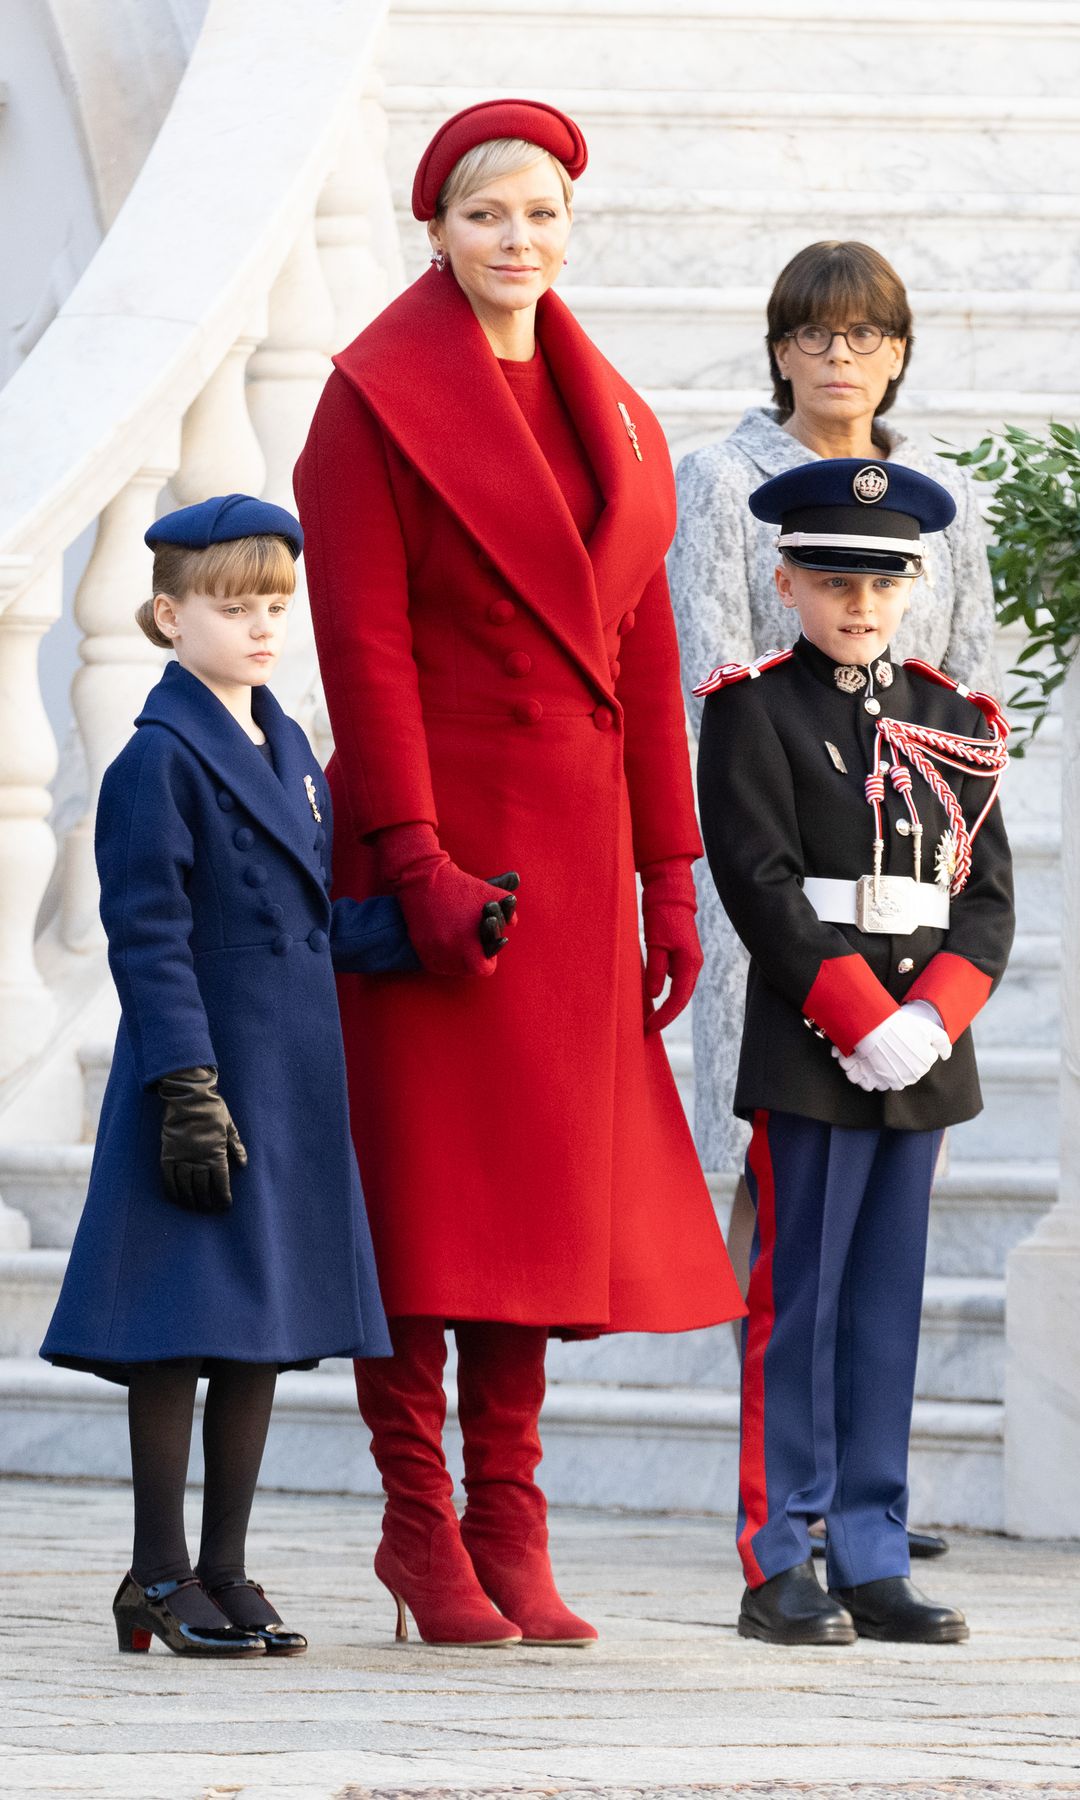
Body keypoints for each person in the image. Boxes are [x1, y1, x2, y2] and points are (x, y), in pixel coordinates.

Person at [293, 98, 745, 1649]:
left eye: (544, 213)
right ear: (435, 229)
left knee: (537, 1206)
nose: (519, 240)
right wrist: (410, 853)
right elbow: (360, 645)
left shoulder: (605, 406)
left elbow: (643, 640)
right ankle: (422, 1528)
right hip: (439, 851)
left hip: (570, 860)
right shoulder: (369, 401)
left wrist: (670, 873)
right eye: (489, 214)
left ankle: (512, 1522)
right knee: (432, 1197)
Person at [40, 495, 509, 1660]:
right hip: (199, 1076)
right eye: (231, 605)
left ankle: (224, 1570)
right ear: (166, 614)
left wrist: (435, 929)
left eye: (274, 606)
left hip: (294, 1078)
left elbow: (309, 924)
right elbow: (146, 935)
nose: (260, 627)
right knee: (175, 1329)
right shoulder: (157, 758)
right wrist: (186, 1089)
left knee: (254, 1330)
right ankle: (153, 1575)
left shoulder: (288, 747)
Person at [669, 240, 998, 1560]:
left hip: (911, 905)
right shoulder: (721, 483)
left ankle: (864, 1507)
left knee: (881, 1256)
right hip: (788, 901)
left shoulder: (949, 500)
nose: (841, 357)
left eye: (866, 336)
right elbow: (713, 665)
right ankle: (784, 1515)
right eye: (815, 334)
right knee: (787, 1236)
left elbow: (965, 697)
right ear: (779, 346)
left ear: (901, 351)